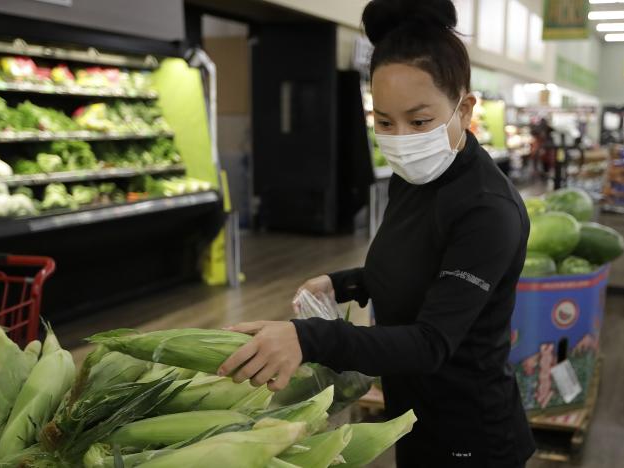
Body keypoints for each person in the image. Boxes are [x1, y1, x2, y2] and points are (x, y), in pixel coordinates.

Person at [218, 0, 535, 466]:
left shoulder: (487, 210)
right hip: (412, 410)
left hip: (472, 431)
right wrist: (345, 281)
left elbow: (431, 344)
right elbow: (416, 261)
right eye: (384, 121)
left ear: (464, 108)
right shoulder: (418, 175)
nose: (402, 138)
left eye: (420, 120)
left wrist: (309, 338)